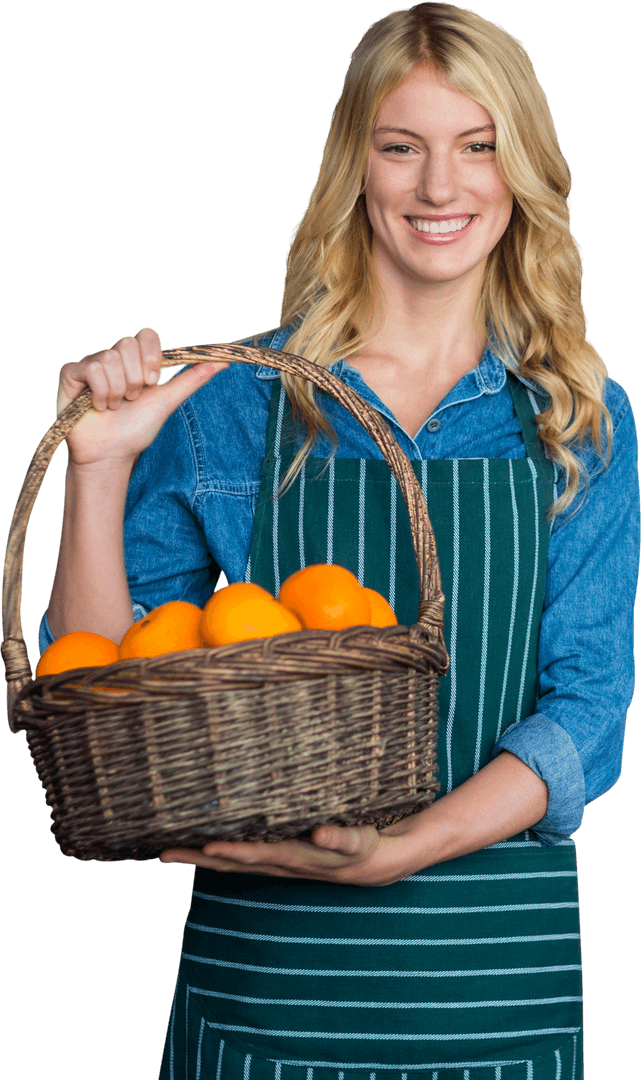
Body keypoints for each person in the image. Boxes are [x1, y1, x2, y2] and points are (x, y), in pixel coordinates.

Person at [43, 3, 638, 1077]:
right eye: (401, 147)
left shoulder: (575, 418)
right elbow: (104, 679)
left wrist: (405, 848)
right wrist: (97, 470)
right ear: (353, 168)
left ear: (521, 170)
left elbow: (587, 712)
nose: (439, 187)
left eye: (476, 146)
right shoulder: (235, 401)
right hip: (262, 996)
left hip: (493, 995)